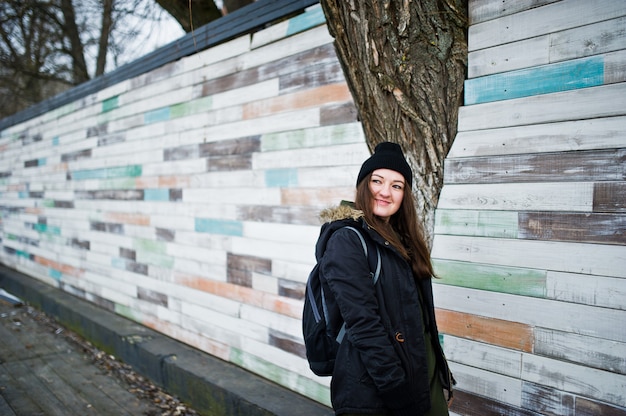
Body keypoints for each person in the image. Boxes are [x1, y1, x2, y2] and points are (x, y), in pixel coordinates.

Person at [315, 142, 454, 415]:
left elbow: (421, 318)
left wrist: (440, 375)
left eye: (397, 185)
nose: (385, 192)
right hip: (378, 388)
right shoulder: (348, 240)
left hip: (420, 373)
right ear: (364, 185)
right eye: (377, 181)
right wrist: (397, 393)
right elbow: (364, 324)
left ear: (405, 195)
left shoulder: (404, 241)